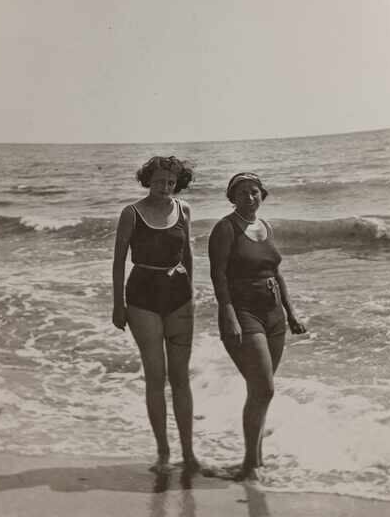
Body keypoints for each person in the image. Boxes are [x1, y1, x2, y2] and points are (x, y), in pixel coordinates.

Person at [208, 171, 306, 480]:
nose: (250, 197)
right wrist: (228, 314)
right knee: (264, 388)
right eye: (243, 192)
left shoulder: (267, 227)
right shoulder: (225, 229)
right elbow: (218, 275)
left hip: (274, 314)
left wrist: (291, 314)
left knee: (260, 391)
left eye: (254, 192)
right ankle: (250, 465)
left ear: (262, 195)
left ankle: (256, 460)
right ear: (232, 197)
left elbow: (277, 274)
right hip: (243, 314)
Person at [112, 154, 200, 475]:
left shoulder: (184, 211)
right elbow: (119, 261)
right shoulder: (131, 213)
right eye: (160, 181)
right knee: (155, 377)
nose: (165, 187)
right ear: (148, 179)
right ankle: (163, 452)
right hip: (142, 296)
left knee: (181, 378)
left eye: (172, 183)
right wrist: (117, 304)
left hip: (178, 296)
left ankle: (189, 454)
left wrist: (192, 292)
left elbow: (188, 254)